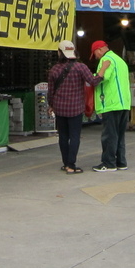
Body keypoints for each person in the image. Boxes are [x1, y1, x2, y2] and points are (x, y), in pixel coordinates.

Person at [47, 40, 102, 174]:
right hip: (76, 107)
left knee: (63, 136)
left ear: (60, 53)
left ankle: (66, 163)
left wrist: (51, 105)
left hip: (59, 108)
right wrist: (102, 71)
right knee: (75, 136)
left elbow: (50, 91)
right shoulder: (80, 67)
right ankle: (71, 165)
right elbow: (93, 81)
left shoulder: (54, 69)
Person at [89, 39, 131, 172]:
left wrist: (93, 75)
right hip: (124, 103)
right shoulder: (120, 61)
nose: (95, 57)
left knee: (109, 135)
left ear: (99, 50)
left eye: (95, 53)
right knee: (119, 134)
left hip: (111, 103)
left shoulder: (106, 60)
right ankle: (121, 162)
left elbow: (103, 77)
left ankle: (108, 163)